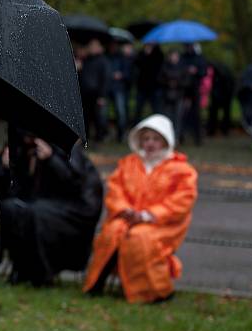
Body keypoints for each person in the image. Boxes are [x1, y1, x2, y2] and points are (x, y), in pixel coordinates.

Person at [83, 114, 197, 303]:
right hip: (127, 217)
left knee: (140, 238)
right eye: (146, 139)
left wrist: (148, 215)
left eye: (155, 139)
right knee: (111, 232)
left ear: (165, 141)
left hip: (162, 224)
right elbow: (115, 191)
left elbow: (181, 201)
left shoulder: (182, 170)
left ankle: (155, 292)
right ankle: (97, 282)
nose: (150, 144)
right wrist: (125, 210)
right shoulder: (129, 163)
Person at [0, 129, 103, 286]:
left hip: (63, 212)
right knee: (12, 210)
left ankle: (39, 272)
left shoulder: (60, 147)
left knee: (34, 213)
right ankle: (21, 269)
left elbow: (75, 184)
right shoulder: (14, 147)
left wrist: (51, 159)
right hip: (28, 208)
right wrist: (3, 168)